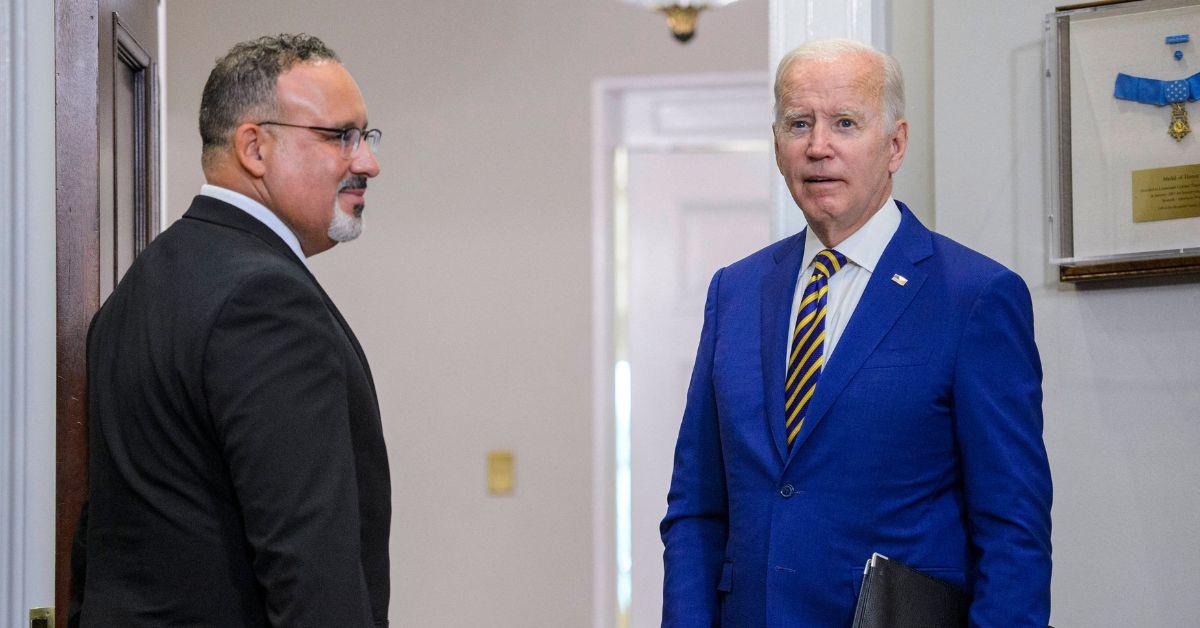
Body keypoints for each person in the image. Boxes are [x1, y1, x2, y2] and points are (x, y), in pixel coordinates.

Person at [660, 38, 1052, 626]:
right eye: (799, 124)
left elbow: (1013, 530)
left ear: (894, 144)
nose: (819, 147)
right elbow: (696, 508)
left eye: (845, 123)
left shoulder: (974, 297)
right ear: (776, 144)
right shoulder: (734, 293)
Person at [70, 34, 390, 626]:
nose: (367, 161)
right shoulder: (264, 302)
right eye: (339, 136)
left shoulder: (141, 286)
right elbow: (311, 576)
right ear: (255, 147)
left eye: (366, 137)